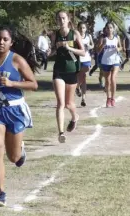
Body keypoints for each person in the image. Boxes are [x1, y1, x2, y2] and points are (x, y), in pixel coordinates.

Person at [0, 24, 38, 207]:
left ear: (11, 42)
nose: (1, 42)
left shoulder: (17, 60)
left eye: (5, 39)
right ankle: (1, 193)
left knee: (13, 157)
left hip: (14, 110)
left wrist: (13, 83)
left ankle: (20, 151)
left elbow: (33, 84)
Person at [50, 10, 85, 143]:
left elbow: (83, 52)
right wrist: (50, 51)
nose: (61, 21)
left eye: (63, 18)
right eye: (58, 18)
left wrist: (69, 48)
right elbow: (53, 51)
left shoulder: (74, 34)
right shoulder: (55, 34)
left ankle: (75, 117)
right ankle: (61, 133)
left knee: (69, 104)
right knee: (60, 103)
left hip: (71, 71)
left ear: (68, 19)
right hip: (58, 71)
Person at [98, 21, 122, 107]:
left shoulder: (117, 37)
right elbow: (98, 50)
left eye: (111, 28)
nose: (109, 29)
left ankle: (113, 98)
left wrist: (118, 49)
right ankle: (108, 99)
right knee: (107, 81)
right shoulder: (103, 38)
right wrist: (103, 45)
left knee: (113, 78)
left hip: (115, 60)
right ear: (105, 29)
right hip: (105, 61)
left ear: (113, 29)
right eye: (107, 28)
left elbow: (120, 47)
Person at [75, 22, 94, 107]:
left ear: (86, 29)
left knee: (86, 71)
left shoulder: (88, 36)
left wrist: (89, 46)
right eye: (80, 28)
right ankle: (83, 98)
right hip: (78, 59)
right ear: (78, 28)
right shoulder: (75, 36)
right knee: (83, 78)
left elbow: (92, 45)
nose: (82, 30)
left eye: (83, 28)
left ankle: (76, 87)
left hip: (86, 58)